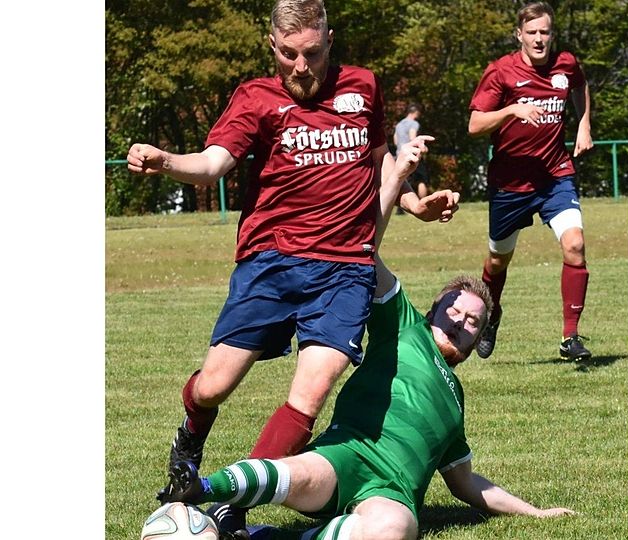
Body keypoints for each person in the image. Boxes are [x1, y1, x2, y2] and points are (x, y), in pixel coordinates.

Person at [125, 0, 458, 508]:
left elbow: (376, 161)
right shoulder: (254, 98)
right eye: (288, 55)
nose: (301, 67)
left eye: (311, 52)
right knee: (213, 387)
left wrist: (413, 202)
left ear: (329, 40)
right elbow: (215, 163)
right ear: (272, 47)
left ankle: (224, 508)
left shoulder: (363, 86)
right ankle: (190, 437)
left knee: (310, 395)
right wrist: (166, 160)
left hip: (347, 268)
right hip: (272, 262)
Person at [156, 153, 575, 539]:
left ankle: (274, 537)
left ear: (478, 340)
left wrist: (536, 514)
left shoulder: (456, 401)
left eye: (472, 322)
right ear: (434, 309)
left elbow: (467, 483)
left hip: (392, 491)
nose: (461, 321)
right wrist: (393, 180)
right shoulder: (404, 323)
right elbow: (362, 251)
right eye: (454, 309)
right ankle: (202, 490)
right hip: (347, 452)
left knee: (394, 529)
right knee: (298, 473)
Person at [467, 1, 594, 361]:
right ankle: (492, 315)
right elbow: (474, 125)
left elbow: (580, 86)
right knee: (496, 263)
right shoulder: (500, 73)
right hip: (510, 185)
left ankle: (571, 337)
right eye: (533, 33)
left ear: (552, 34)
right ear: (519, 35)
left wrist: (584, 124)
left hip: (555, 175)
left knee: (575, 245)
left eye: (545, 32)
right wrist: (511, 110)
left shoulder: (565, 63)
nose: (540, 40)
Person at [393, 104, 429, 201]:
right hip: (413, 154)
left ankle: (401, 207)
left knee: (403, 181)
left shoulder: (399, 125)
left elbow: (396, 141)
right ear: (416, 112)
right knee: (421, 179)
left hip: (400, 155)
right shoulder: (414, 124)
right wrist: (423, 148)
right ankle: (424, 203)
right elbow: (412, 137)